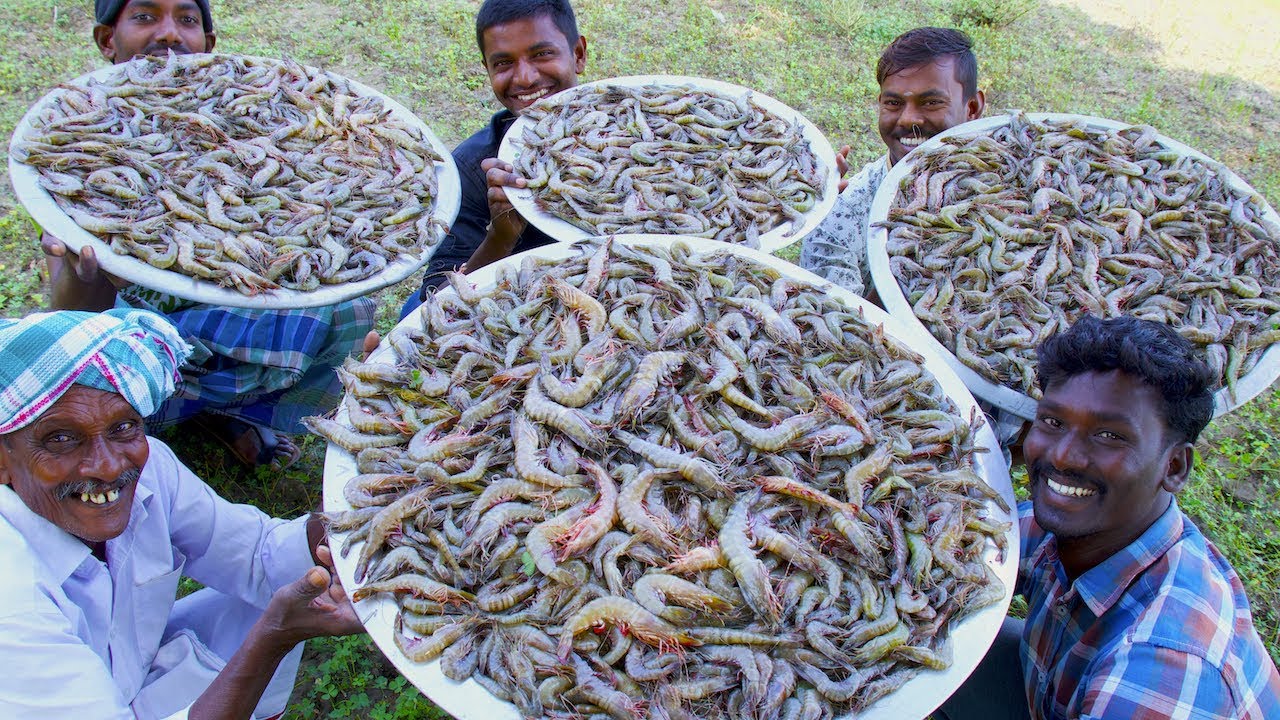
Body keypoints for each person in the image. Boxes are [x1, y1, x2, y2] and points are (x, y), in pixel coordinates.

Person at [42, 0, 377, 469]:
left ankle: (234, 412)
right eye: (144, 16)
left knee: (350, 310)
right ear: (106, 40)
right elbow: (68, 319)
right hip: (139, 332)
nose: (168, 34)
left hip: (225, 315)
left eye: (187, 19)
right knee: (90, 374)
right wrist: (87, 274)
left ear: (210, 44)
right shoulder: (85, 138)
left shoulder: (246, 118)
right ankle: (144, 426)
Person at [0, 309, 365, 720]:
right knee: (272, 622)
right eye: (61, 439)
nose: (107, 466)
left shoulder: (150, 467)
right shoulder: (12, 604)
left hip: (131, 669)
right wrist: (274, 639)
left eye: (123, 427)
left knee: (286, 588)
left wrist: (373, 495)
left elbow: (256, 554)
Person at [936, 315, 1280, 720]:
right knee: (935, 656)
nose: (1063, 455)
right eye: (1053, 422)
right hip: (1050, 692)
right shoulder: (1096, 528)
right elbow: (974, 546)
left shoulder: (1160, 670)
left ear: (1174, 467)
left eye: (1109, 436)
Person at [400, 0, 587, 317]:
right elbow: (437, 301)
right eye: (503, 63)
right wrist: (500, 237)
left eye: (542, 54)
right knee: (411, 311)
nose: (525, 78)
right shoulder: (473, 168)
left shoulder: (643, 131)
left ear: (578, 54)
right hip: (529, 303)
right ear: (486, 69)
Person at [799, 26, 985, 298]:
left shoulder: (1012, 181)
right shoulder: (843, 220)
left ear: (972, 108)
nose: (908, 119)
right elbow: (842, 324)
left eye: (931, 102)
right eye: (893, 103)